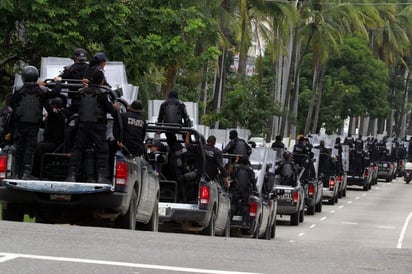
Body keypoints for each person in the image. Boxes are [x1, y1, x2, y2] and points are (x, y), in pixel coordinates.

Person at [8, 65, 62, 179]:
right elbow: (56, 92)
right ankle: (26, 173)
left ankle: (17, 173)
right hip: (33, 125)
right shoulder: (40, 91)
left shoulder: (19, 90)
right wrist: (58, 82)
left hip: (20, 124)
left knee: (19, 148)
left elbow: (12, 104)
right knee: (29, 148)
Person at [65, 69, 118, 183]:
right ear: (102, 81)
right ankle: (102, 176)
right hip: (98, 127)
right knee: (102, 151)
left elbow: (73, 108)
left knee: (78, 150)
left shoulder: (81, 92)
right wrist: (115, 107)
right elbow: (111, 110)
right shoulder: (103, 94)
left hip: (83, 125)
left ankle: (71, 175)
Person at [32, 97, 69, 177]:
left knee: (39, 148)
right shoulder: (57, 114)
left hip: (56, 143)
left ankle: (36, 172)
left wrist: (43, 95)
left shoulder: (59, 114)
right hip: (51, 141)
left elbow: (49, 109)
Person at [230, 155, 256, 226]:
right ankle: (244, 221)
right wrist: (255, 191)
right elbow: (253, 181)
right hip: (245, 190)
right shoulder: (250, 170)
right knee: (245, 205)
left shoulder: (236, 167)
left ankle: (230, 219)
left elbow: (231, 176)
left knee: (233, 204)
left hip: (236, 189)